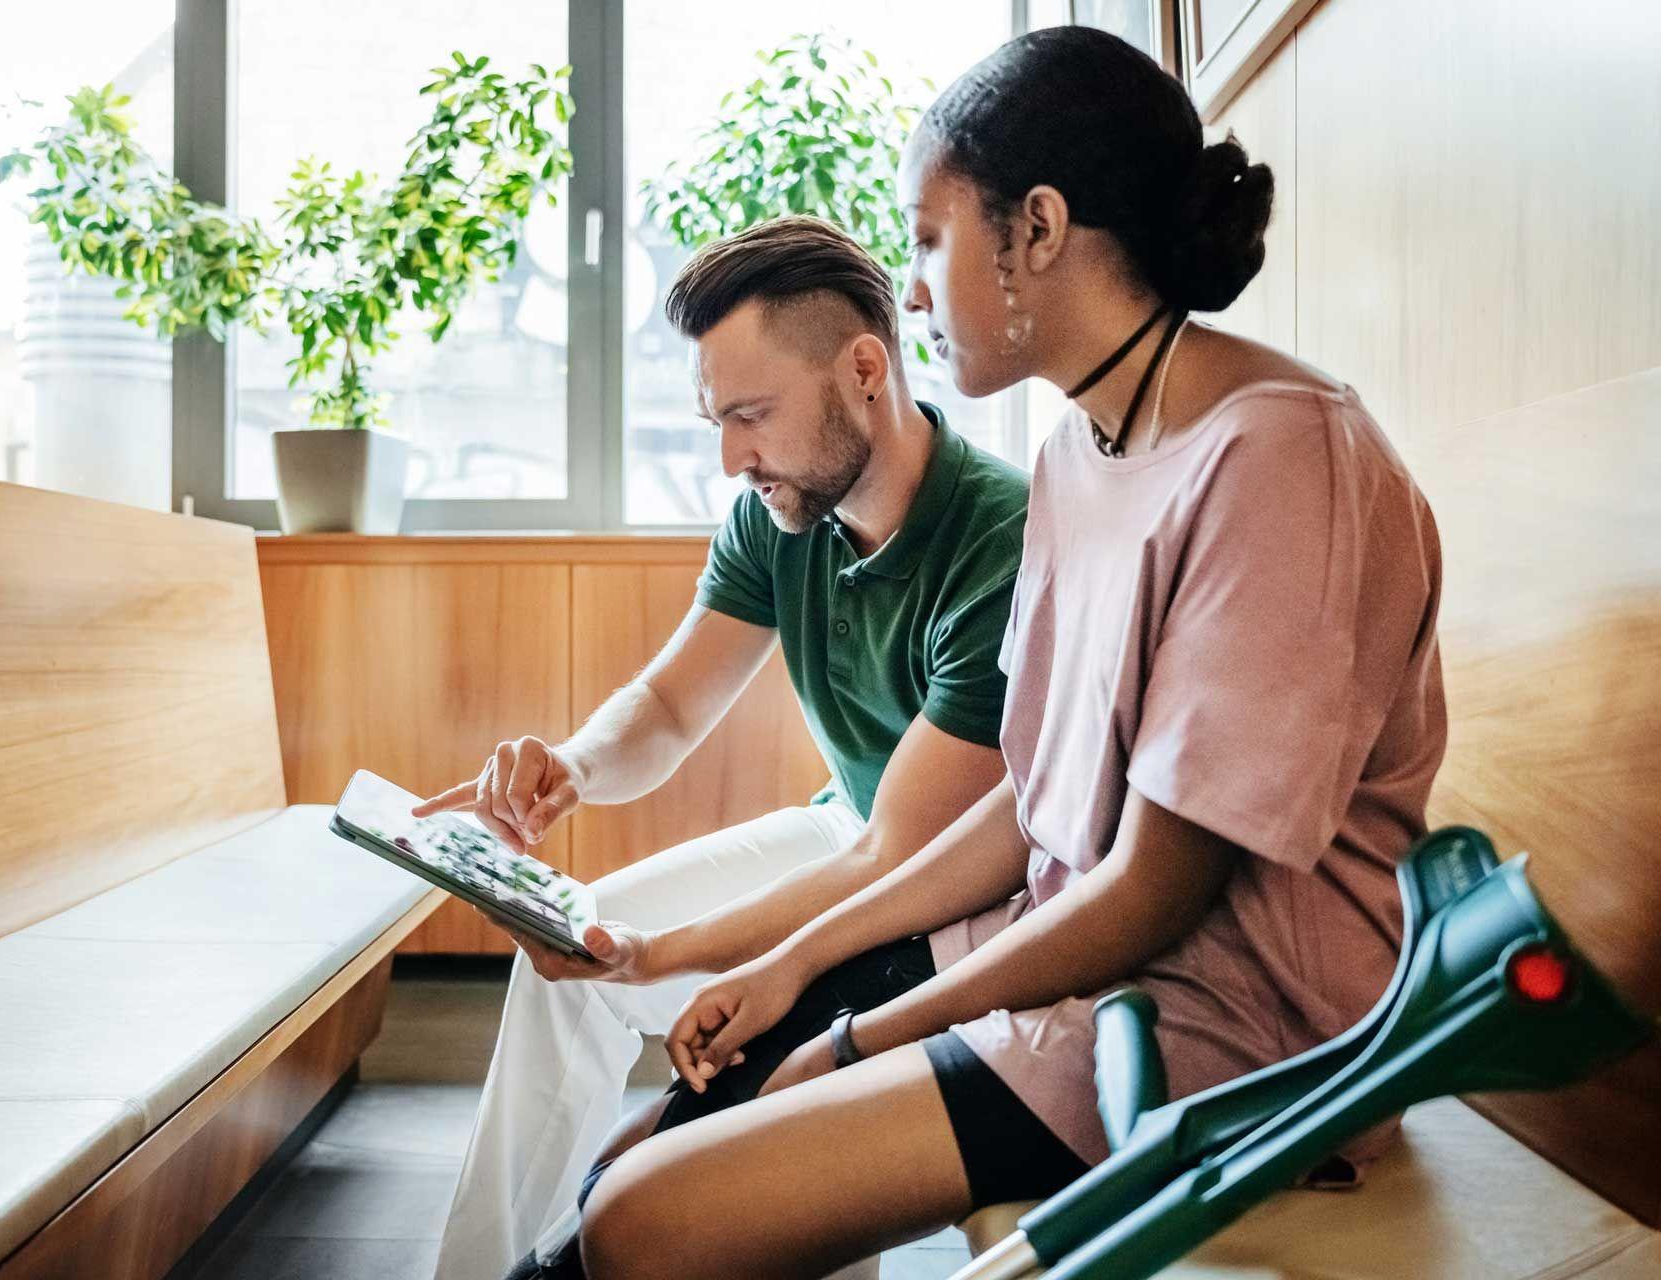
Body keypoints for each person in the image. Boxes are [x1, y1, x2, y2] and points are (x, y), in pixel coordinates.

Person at [521, 26, 1448, 1280]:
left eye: (927, 238)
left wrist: (857, 1036)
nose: (906, 292)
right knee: (633, 1162)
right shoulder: (1082, 451)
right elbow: (1035, 799)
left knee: (644, 1219)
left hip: (1224, 1034)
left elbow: (1155, 889)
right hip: (1075, 973)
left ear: (1039, 231)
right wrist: (798, 961)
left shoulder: (1277, 455)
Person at [420, 215, 1034, 1280]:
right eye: (715, 418)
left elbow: (896, 864)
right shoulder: (782, 512)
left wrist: (665, 949)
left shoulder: (1002, 541)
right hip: (849, 831)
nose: (729, 457)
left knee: (768, 1116)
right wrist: (573, 765)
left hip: (952, 891)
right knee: (568, 974)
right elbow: (664, 708)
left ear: (863, 368)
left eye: (751, 414)